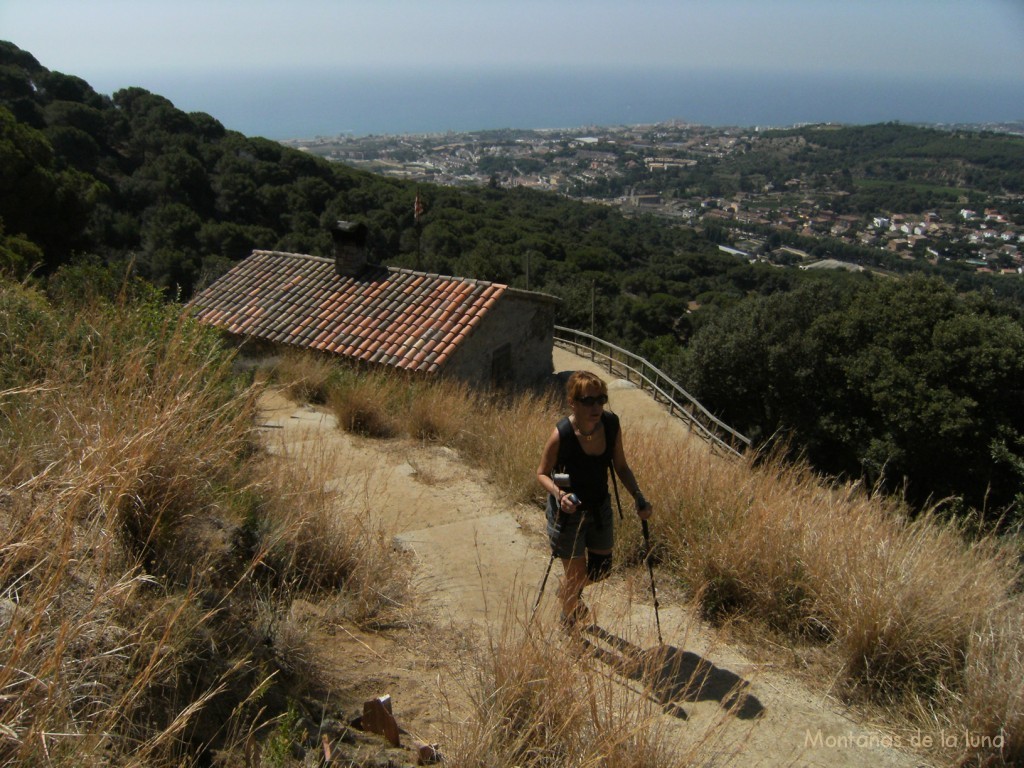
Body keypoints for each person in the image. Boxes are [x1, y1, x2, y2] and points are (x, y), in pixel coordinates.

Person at [536, 370, 653, 629]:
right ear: (572, 403)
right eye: (588, 401)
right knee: (576, 576)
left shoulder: (611, 425)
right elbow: (542, 474)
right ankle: (569, 619)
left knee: (601, 570)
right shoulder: (562, 435)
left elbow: (621, 466)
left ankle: (566, 590)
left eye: (601, 399)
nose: (596, 406)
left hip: (599, 507)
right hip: (567, 514)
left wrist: (638, 496)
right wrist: (560, 495)